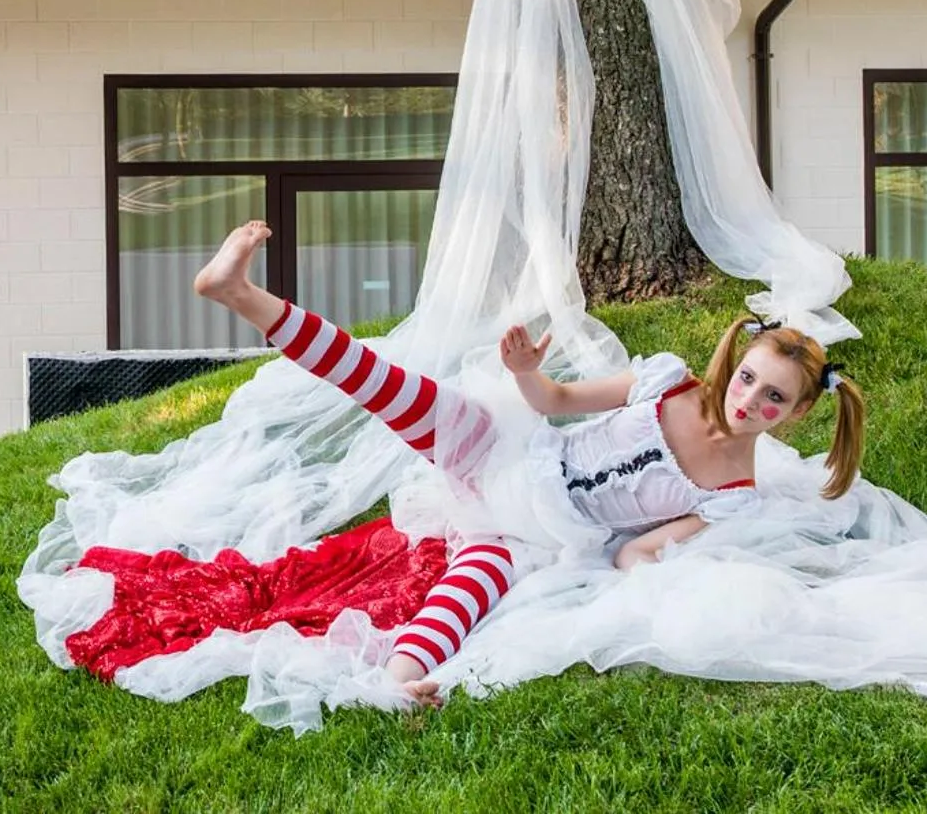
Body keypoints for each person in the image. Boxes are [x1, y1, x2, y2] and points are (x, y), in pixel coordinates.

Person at [192, 218, 866, 705]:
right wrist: (523, 372)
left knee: (470, 591)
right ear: (734, 363)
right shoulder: (670, 384)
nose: (752, 401)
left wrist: (651, 573)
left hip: (543, 532)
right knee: (387, 383)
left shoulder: (733, 494)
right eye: (749, 379)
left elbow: (635, 555)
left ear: (798, 415)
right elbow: (556, 398)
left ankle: (398, 680)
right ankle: (242, 294)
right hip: (511, 452)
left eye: (774, 398)